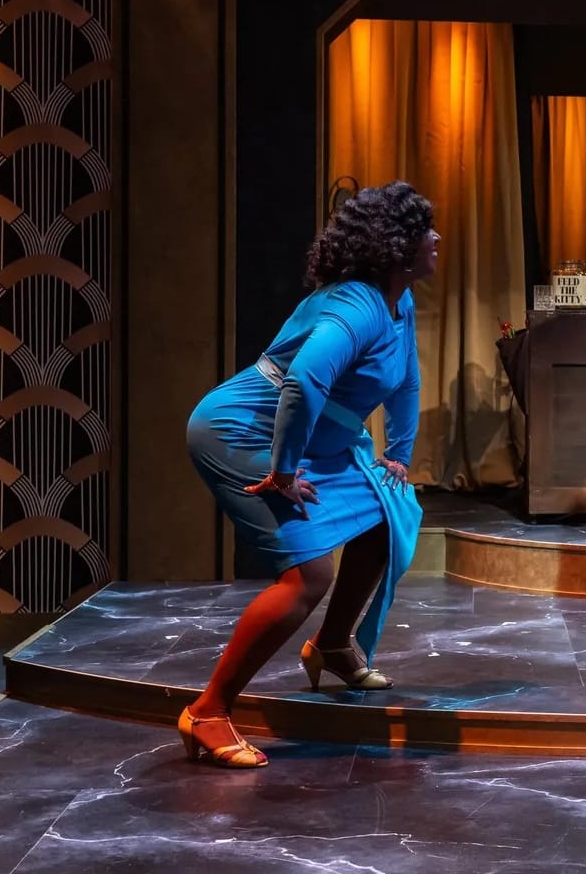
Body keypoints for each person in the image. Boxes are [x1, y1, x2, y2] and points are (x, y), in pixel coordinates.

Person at [178, 181, 435, 767]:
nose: (436, 238)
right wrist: (284, 471)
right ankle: (208, 711)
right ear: (396, 248)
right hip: (244, 432)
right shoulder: (356, 307)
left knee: (384, 515)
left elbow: (407, 379)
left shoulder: (398, 303)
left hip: (317, 438)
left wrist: (399, 452)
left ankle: (335, 645)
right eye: (425, 230)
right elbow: (303, 381)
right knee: (308, 577)